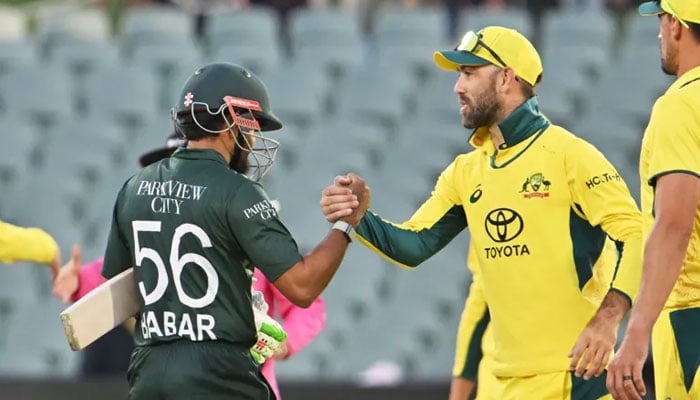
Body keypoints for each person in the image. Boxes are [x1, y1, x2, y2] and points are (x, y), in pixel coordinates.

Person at [321, 26, 644, 399]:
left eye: (469, 73)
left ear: (506, 78)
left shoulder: (570, 155)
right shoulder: (465, 171)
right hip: (507, 384)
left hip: (578, 379)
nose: (458, 87)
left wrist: (608, 320)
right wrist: (358, 216)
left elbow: (636, 233)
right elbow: (414, 245)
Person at [101, 62, 367, 400]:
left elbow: (119, 290)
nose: (254, 138)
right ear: (231, 121)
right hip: (221, 379)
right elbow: (302, 287)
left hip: (148, 377)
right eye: (252, 126)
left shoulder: (133, 188)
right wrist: (346, 223)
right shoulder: (238, 192)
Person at [607, 2, 700, 400]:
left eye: (661, 21)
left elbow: (675, 224)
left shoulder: (681, 105)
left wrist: (637, 331)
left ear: (676, 24)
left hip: (691, 319)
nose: (660, 34)